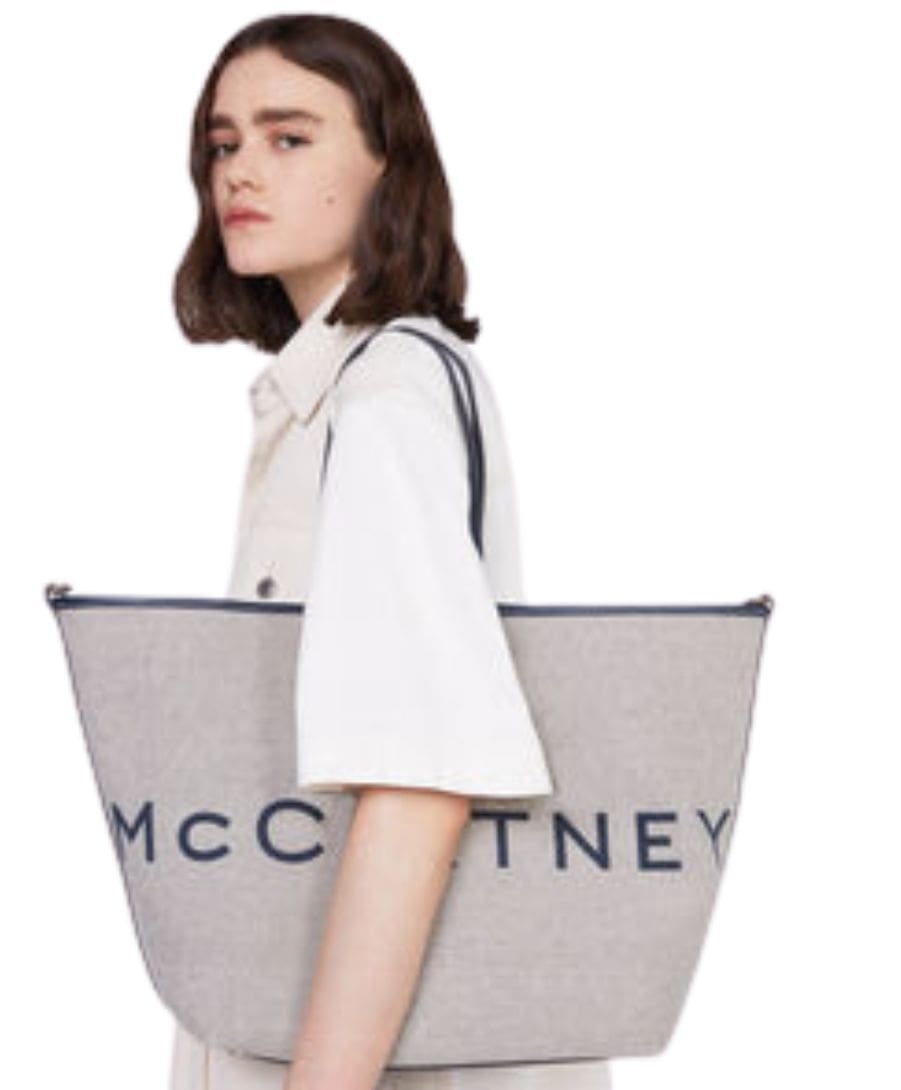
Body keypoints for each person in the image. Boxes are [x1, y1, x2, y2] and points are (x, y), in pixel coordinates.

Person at [169, 13, 614, 1090]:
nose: (240, 171)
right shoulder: (373, 386)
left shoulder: (384, 402)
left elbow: (419, 775)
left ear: (388, 168)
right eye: (224, 143)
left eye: (289, 137)